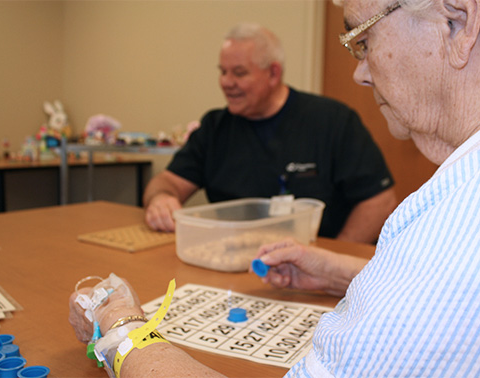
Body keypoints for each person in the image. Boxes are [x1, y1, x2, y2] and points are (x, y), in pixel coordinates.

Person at [69, 0, 480, 377]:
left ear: (457, 20)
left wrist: (121, 333)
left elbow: (456, 275)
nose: (360, 71)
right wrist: (342, 271)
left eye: (362, 39)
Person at [143, 22, 397, 244]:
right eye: (222, 71)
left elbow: (379, 202)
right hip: (233, 261)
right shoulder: (214, 128)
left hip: (312, 265)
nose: (226, 82)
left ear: (273, 73)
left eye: (239, 73)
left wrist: (332, 258)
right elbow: (166, 183)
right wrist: (161, 199)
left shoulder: (333, 121)